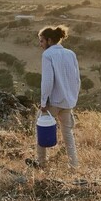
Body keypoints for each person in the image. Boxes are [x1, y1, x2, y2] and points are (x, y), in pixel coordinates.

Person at [33, 25, 81, 170]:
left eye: (41, 41)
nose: (40, 44)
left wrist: (43, 102)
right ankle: (74, 165)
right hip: (68, 101)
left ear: (49, 40)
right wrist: (72, 98)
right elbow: (77, 79)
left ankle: (41, 163)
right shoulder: (70, 53)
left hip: (52, 102)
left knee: (40, 127)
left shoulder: (48, 55)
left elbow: (47, 80)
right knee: (68, 134)